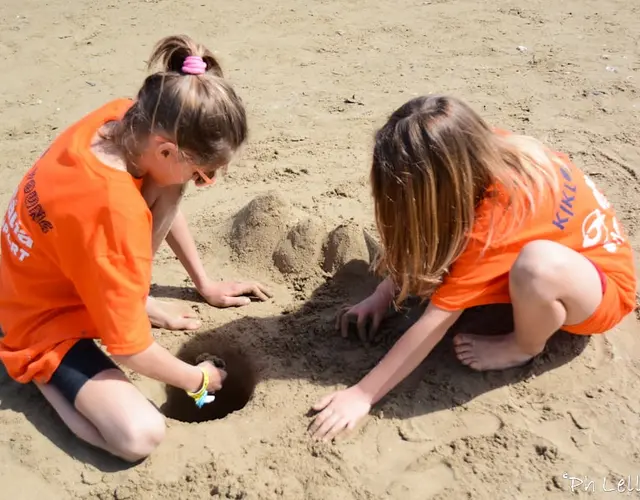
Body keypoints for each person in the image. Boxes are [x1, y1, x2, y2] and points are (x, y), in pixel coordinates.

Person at [0, 34, 269, 462]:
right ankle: (38, 370)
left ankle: (130, 298)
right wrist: (196, 380)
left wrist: (205, 284)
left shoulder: (125, 119)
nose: (204, 180)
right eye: (204, 172)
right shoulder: (113, 212)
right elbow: (130, 350)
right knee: (138, 435)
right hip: (38, 316)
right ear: (166, 148)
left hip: (44, 265)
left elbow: (167, 188)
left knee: (167, 184)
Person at [310, 94, 637, 441]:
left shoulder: (495, 226)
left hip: (599, 290)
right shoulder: (474, 148)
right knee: (517, 258)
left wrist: (362, 395)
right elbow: (430, 233)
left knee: (536, 267)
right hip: (569, 258)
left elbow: (434, 323)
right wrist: (382, 293)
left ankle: (523, 345)